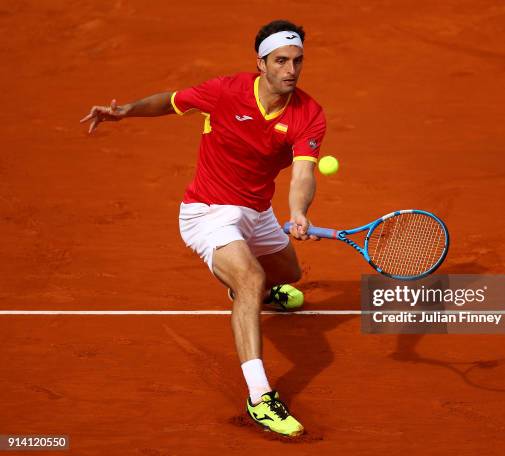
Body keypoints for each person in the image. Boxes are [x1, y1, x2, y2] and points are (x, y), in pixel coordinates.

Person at [80, 19, 326, 437]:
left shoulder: (309, 113)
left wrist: (298, 211)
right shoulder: (226, 90)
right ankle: (259, 397)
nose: (290, 69)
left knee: (289, 276)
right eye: (281, 60)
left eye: (297, 60)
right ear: (261, 63)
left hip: (257, 211)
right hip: (207, 211)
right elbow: (172, 101)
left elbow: (304, 172)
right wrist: (126, 111)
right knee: (251, 278)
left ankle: (252, 289)